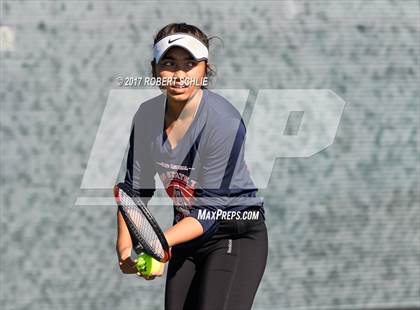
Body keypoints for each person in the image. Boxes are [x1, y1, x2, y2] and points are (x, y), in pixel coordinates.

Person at [116, 22, 268, 310]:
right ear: (154, 69)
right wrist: (125, 248)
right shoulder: (146, 116)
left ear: (205, 70)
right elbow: (133, 191)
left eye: (190, 64)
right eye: (169, 63)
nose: (179, 74)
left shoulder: (223, 122)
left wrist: (157, 244)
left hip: (233, 234)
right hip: (185, 237)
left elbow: (209, 212)